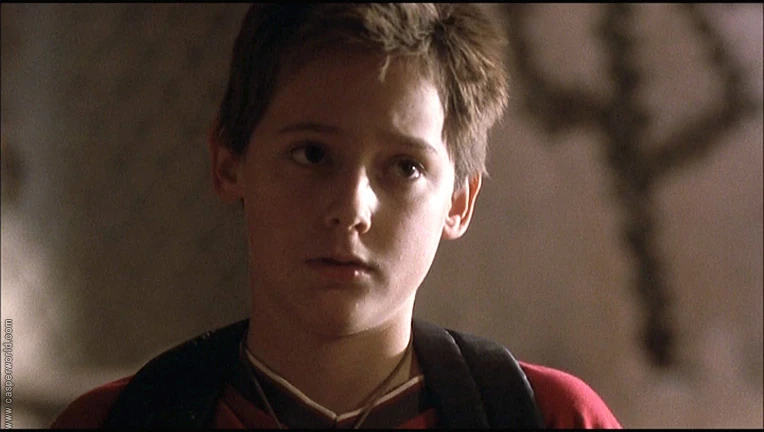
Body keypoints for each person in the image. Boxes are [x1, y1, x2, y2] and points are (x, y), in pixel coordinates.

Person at [51, 4, 622, 429]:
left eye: (405, 167)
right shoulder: (116, 421)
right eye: (312, 154)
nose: (351, 208)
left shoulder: (548, 418)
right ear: (228, 162)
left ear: (458, 201)